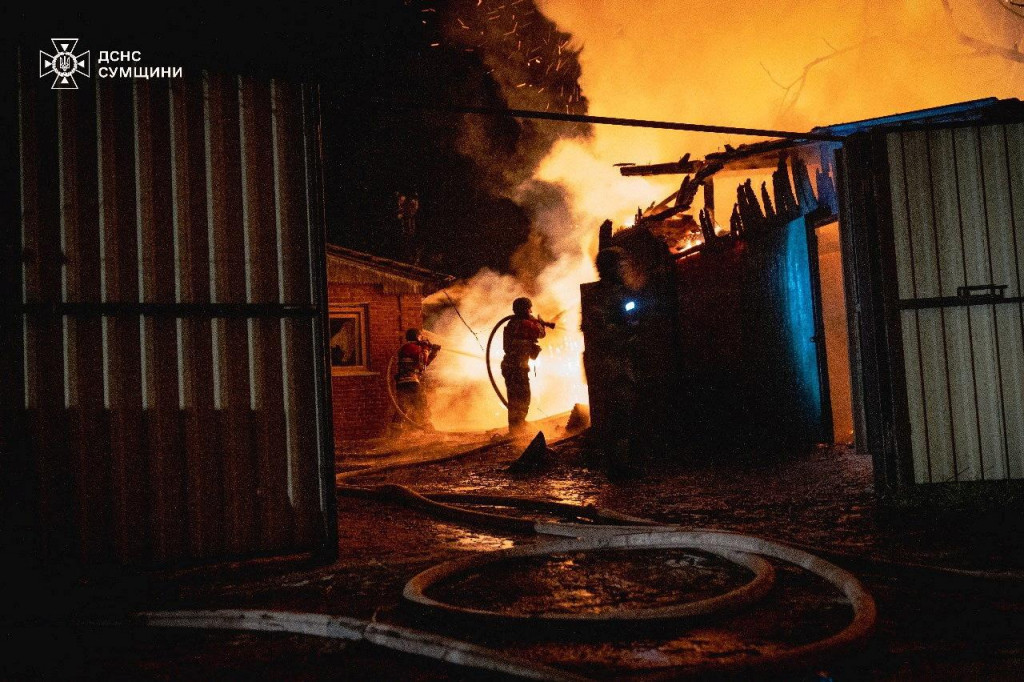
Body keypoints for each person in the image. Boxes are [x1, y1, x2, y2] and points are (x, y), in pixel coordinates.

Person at [500, 297, 554, 434]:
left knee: (514, 399)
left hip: (510, 366)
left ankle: (516, 428)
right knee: (523, 397)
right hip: (517, 368)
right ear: (525, 309)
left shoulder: (513, 323)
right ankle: (518, 429)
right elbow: (540, 333)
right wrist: (540, 323)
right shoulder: (525, 324)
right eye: (529, 308)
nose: (531, 311)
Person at [395, 328, 440, 429]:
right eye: (421, 336)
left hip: (404, 382)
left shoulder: (410, 348)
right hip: (410, 381)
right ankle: (427, 427)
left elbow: (423, 364)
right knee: (421, 403)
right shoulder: (410, 347)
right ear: (417, 337)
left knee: (403, 406)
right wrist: (426, 348)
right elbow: (423, 359)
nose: (423, 338)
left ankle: (396, 430)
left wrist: (434, 352)